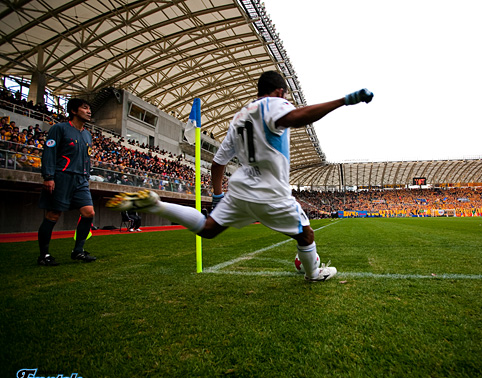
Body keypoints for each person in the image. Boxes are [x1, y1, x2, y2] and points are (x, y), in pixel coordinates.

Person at [107, 70, 373, 281]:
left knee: (208, 228)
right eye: (285, 95)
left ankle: (158, 205)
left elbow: (218, 162)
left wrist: (218, 196)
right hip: (270, 191)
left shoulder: (239, 117)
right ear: (280, 91)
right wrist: (344, 100)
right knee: (306, 236)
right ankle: (313, 274)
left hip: (241, 188)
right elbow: (295, 117)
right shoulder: (273, 104)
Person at [37, 98, 97, 266]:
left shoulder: (87, 134)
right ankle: (44, 255)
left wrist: (86, 176)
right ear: (73, 111)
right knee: (53, 215)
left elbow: (86, 158)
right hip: (62, 177)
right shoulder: (59, 129)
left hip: (81, 180)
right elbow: (49, 152)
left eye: (89, 108)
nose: (89, 111)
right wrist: (48, 177)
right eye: (85, 108)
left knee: (89, 213)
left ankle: (78, 251)